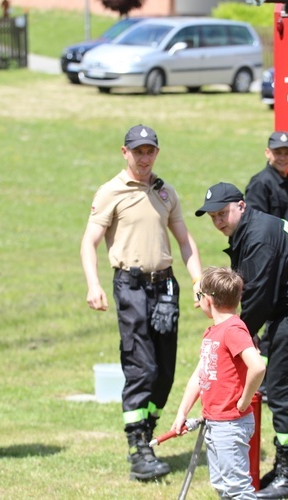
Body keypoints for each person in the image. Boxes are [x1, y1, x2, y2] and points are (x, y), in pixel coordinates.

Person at [80, 124, 202, 481]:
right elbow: (89, 242)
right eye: (138, 151)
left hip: (165, 287)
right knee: (141, 367)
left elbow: (184, 240)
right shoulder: (110, 192)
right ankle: (138, 448)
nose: (144, 157)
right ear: (125, 152)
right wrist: (93, 284)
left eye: (150, 151)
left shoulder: (166, 193)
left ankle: (147, 433)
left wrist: (197, 280)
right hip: (130, 287)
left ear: (156, 153)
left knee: (164, 372)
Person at [195, 182, 288, 499]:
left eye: (223, 213)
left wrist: (233, 334)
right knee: (280, 389)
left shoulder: (258, 238)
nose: (218, 221)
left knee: (285, 392)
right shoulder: (254, 228)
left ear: (241, 205)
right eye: (213, 216)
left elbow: (257, 298)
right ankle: (285, 468)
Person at [171, 266, 266, 499]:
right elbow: (200, 374)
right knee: (223, 485)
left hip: (230, 424)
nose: (198, 300)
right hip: (215, 421)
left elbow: (258, 366)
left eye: (199, 295)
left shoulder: (233, 330)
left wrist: (244, 401)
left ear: (208, 300)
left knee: (237, 488)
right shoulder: (214, 331)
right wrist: (182, 411)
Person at [244, 131, 288, 233]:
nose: (282, 158)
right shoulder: (260, 184)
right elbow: (254, 227)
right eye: (277, 153)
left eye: (287, 153)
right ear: (267, 153)